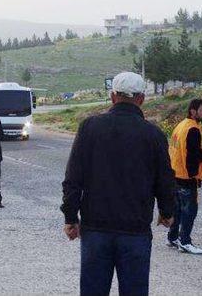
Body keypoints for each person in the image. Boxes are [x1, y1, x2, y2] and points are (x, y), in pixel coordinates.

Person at [61, 71, 175, 296]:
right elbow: (165, 179)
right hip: (135, 232)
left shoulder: (89, 128)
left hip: (96, 230)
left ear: (113, 96)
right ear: (141, 99)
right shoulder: (153, 135)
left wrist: (71, 219)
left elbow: (73, 178)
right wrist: (167, 211)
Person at [167, 99, 202, 255]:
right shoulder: (193, 129)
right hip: (187, 176)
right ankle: (185, 242)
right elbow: (194, 156)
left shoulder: (181, 125)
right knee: (189, 211)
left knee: (178, 209)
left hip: (175, 173)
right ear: (193, 111)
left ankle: (172, 237)